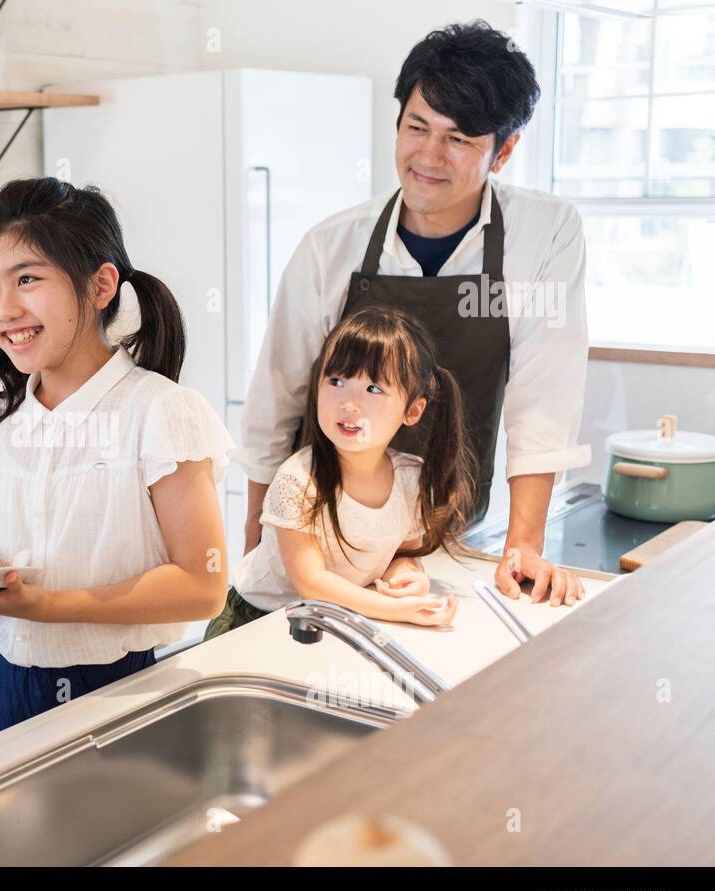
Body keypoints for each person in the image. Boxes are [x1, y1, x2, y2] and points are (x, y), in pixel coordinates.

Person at [238, 20, 590, 608]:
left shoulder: (544, 234)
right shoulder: (332, 246)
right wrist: (255, 546)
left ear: (503, 151)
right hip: (324, 537)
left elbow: (544, 396)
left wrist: (521, 545)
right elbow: (274, 398)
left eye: (458, 139)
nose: (428, 156)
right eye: (416, 127)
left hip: (442, 532)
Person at [0, 177, 233, 755]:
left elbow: (202, 586)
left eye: (28, 279)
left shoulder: (160, 413)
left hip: (107, 691)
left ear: (101, 284)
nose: (4, 309)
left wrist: (45, 607)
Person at [207, 307, 472, 638]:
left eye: (373, 388)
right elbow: (311, 582)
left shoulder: (410, 478)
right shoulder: (298, 480)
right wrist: (397, 610)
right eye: (336, 380)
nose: (349, 403)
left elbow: (403, 551)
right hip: (259, 621)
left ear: (413, 410)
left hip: (334, 620)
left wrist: (407, 574)